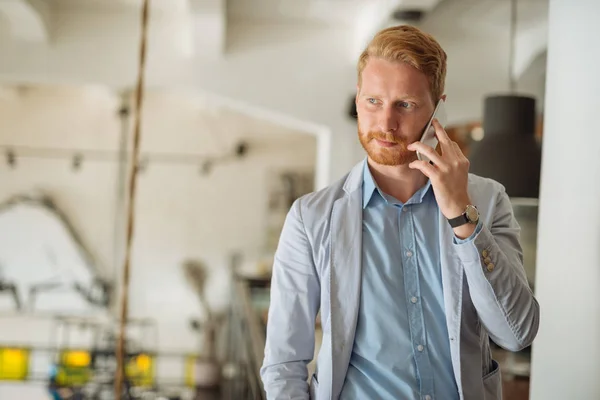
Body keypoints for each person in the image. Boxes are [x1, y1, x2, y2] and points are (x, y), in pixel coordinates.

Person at [260, 25, 539, 400]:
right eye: (373, 101)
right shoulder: (311, 218)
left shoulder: (487, 200)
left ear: (438, 107)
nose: (386, 123)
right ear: (358, 99)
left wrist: (463, 219)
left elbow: (517, 333)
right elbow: (283, 363)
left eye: (405, 104)